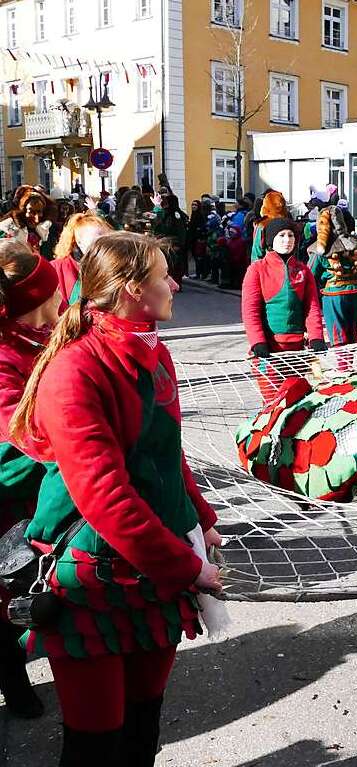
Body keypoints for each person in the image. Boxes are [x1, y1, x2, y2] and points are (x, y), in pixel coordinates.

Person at [8, 232, 224, 765]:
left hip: (152, 572)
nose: (175, 284)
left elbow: (167, 451)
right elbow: (104, 496)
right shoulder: (74, 370)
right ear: (131, 289)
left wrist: (202, 519)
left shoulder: (154, 350)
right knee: (96, 742)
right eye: (163, 276)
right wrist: (186, 566)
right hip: (91, 576)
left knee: (143, 725)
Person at [0, 241, 62, 720]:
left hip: (23, 496)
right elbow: (13, 437)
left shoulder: (30, 338)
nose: (61, 307)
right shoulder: (4, 353)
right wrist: (70, 449)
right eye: (53, 302)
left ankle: (15, 680)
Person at [242, 220, 327, 400]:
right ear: (271, 240)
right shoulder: (257, 270)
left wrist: (317, 337)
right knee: (273, 404)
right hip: (268, 351)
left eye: (290, 235)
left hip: (296, 351)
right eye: (281, 235)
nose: (287, 240)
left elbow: (312, 307)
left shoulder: (304, 271)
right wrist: (258, 342)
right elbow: (250, 311)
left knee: (295, 402)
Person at [308, 206, 357, 346]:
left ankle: (342, 367)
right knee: (352, 330)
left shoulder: (320, 249)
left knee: (337, 332)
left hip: (334, 294)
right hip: (355, 291)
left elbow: (310, 274)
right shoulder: (355, 244)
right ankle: (349, 365)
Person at [51, 212, 112, 306]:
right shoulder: (56, 268)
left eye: (106, 241)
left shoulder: (112, 266)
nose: (103, 247)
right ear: (78, 242)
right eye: (96, 242)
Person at [0, 187, 58, 260]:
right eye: (31, 212)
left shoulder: (45, 230)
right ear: (22, 211)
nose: (36, 219)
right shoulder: (6, 229)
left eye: (39, 211)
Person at [152, 194, 190, 287]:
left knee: (175, 266)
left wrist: (179, 244)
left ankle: (176, 284)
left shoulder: (176, 214)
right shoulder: (167, 213)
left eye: (166, 201)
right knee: (168, 264)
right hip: (166, 242)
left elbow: (180, 230)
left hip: (174, 243)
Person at [250, 190, 290, 263]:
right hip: (286, 265)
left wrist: (255, 269)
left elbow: (257, 252)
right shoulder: (290, 224)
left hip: (268, 265)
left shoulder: (262, 225)